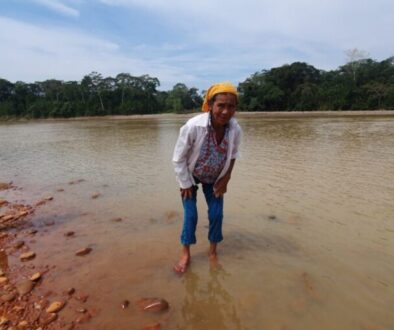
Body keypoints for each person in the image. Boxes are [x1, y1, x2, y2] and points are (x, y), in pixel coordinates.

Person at [172, 82, 242, 274]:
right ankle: (185, 252)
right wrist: (185, 182)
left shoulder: (235, 129)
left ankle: (212, 252)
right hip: (191, 176)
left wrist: (226, 178)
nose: (226, 111)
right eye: (221, 105)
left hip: (216, 177)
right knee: (191, 215)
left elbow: (234, 154)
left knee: (217, 214)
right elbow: (178, 158)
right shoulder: (193, 127)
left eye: (231, 106)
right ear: (210, 105)